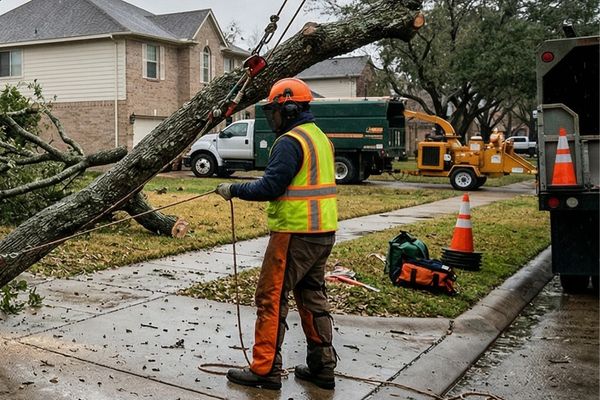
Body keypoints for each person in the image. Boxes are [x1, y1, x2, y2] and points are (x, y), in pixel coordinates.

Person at [215, 77, 338, 391]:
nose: (274, 118)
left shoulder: (289, 141)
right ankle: (322, 367)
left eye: (276, 111)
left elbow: (271, 187)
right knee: (312, 297)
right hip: (322, 232)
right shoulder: (320, 138)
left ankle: (265, 369)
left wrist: (234, 189)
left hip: (294, 234)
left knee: (271, 297)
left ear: (291, 108)